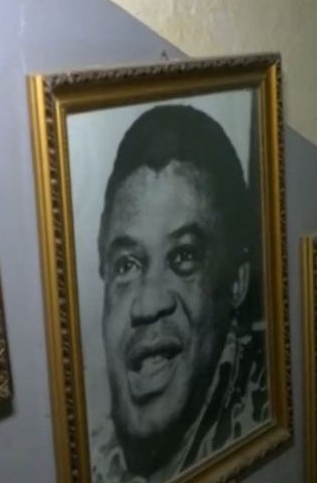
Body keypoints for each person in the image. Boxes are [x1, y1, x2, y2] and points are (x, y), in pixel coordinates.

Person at [90, 105, 268, 482]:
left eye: (183, 257)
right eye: (126, 264)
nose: (148, 303)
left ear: (236, 283)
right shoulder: (91, 456)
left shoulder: (261, 415)